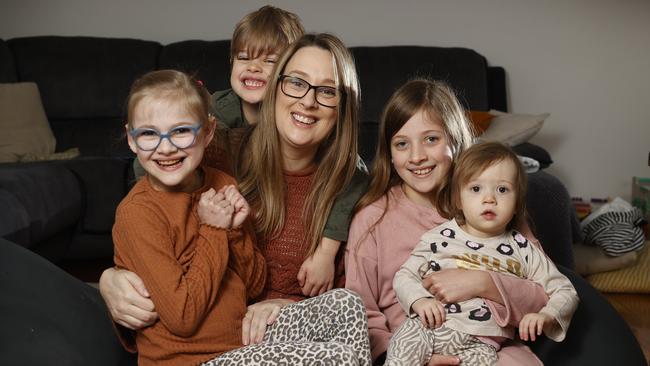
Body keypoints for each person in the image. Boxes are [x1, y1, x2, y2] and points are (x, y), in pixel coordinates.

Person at [101, 33, 372, 364]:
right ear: (275, 87)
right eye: (297, 83)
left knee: (347, 306)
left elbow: (366, 287)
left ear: (344, 105)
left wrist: (287, 304)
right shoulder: (220, 155)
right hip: (214, 342)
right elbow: (157, 184)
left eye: (327, 91)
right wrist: (109, 278)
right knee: (334, 358)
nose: (308, 101)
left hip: (264, 331)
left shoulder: (353, 184)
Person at [345, 79, 551, 366]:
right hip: (410, 351)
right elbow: (361, 315)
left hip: (489, 348)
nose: (417, 156)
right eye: (402, 144)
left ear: (455, 139)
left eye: (431, 139)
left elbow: (545, 297)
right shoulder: (372, 219)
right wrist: (416, 356)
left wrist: (483, 282)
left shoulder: (492, 206)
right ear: (389, 155)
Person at [385, 141, 579, 366]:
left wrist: (546, 316)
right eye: (476, 189)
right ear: (458, 198)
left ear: (517, 203)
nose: (490, 199)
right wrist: (419, 300)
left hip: (482, 345)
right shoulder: (439, 238)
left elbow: (565, 291)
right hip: (428, 328)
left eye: (502, 189)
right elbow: (404, 276)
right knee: (402, 351)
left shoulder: (523, 248)